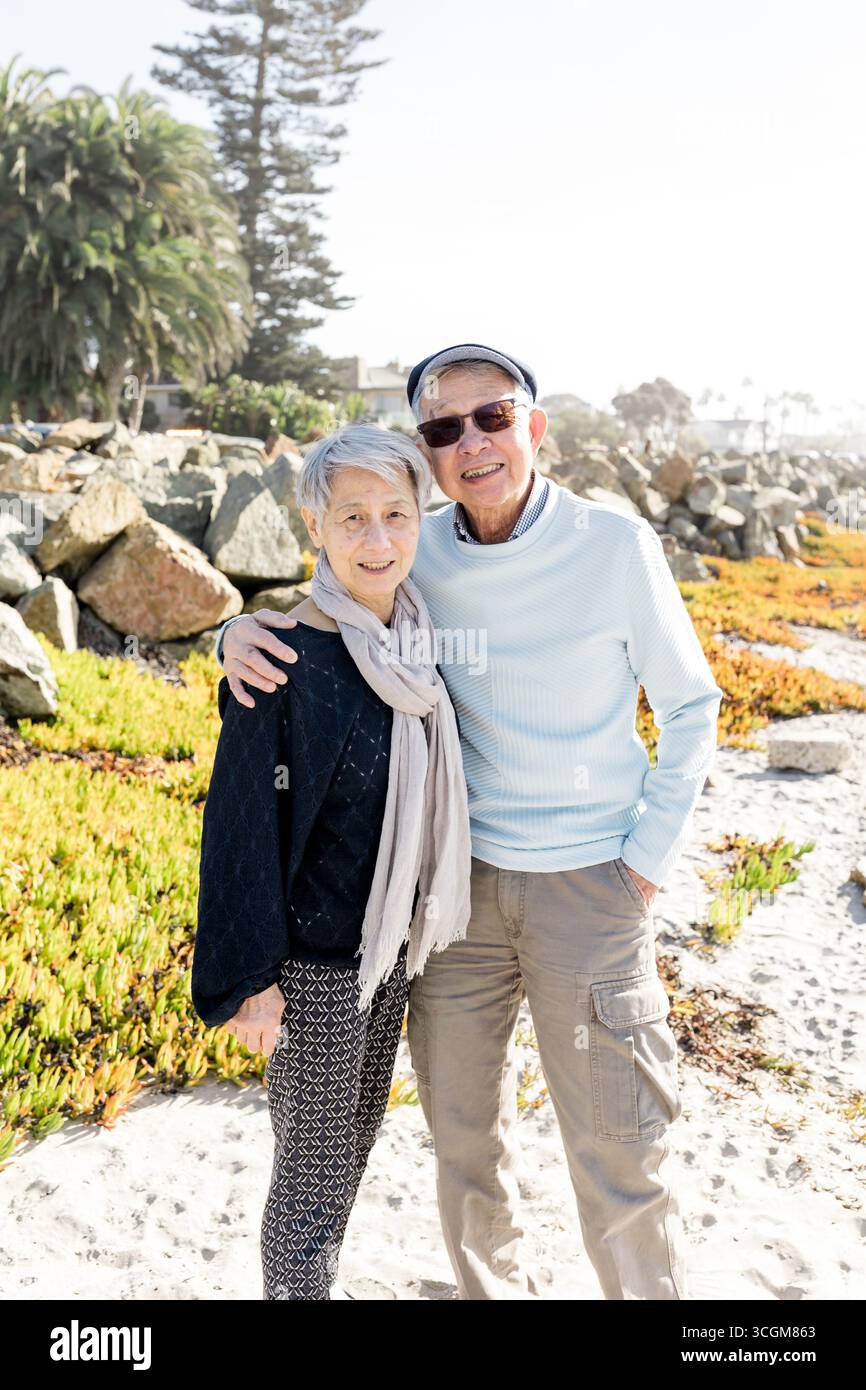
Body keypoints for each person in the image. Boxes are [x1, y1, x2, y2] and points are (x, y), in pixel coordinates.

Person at [213, 343, 725, 1301]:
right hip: (454, 903)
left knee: (619, 1153)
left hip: (593, 890)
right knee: (464, 1147)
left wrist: (644, 864)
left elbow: (693, 709)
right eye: (445, 428)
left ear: (535, 428)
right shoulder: (420, 551)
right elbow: (335, 612)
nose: (473, 441)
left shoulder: (617, 549)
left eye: (493, 417)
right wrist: (231, 632)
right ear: (428, 452)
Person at [191, 423, 472, 1300]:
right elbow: (236, 830)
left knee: (352, 1151)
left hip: (390, 955)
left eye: (396, 514)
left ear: (421, 520)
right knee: (308, 1180)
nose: (378, 539)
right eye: (352, 517)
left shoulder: (418, 647)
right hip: (312, 974)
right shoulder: (283, 659)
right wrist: (249, 978)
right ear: (313, 523)